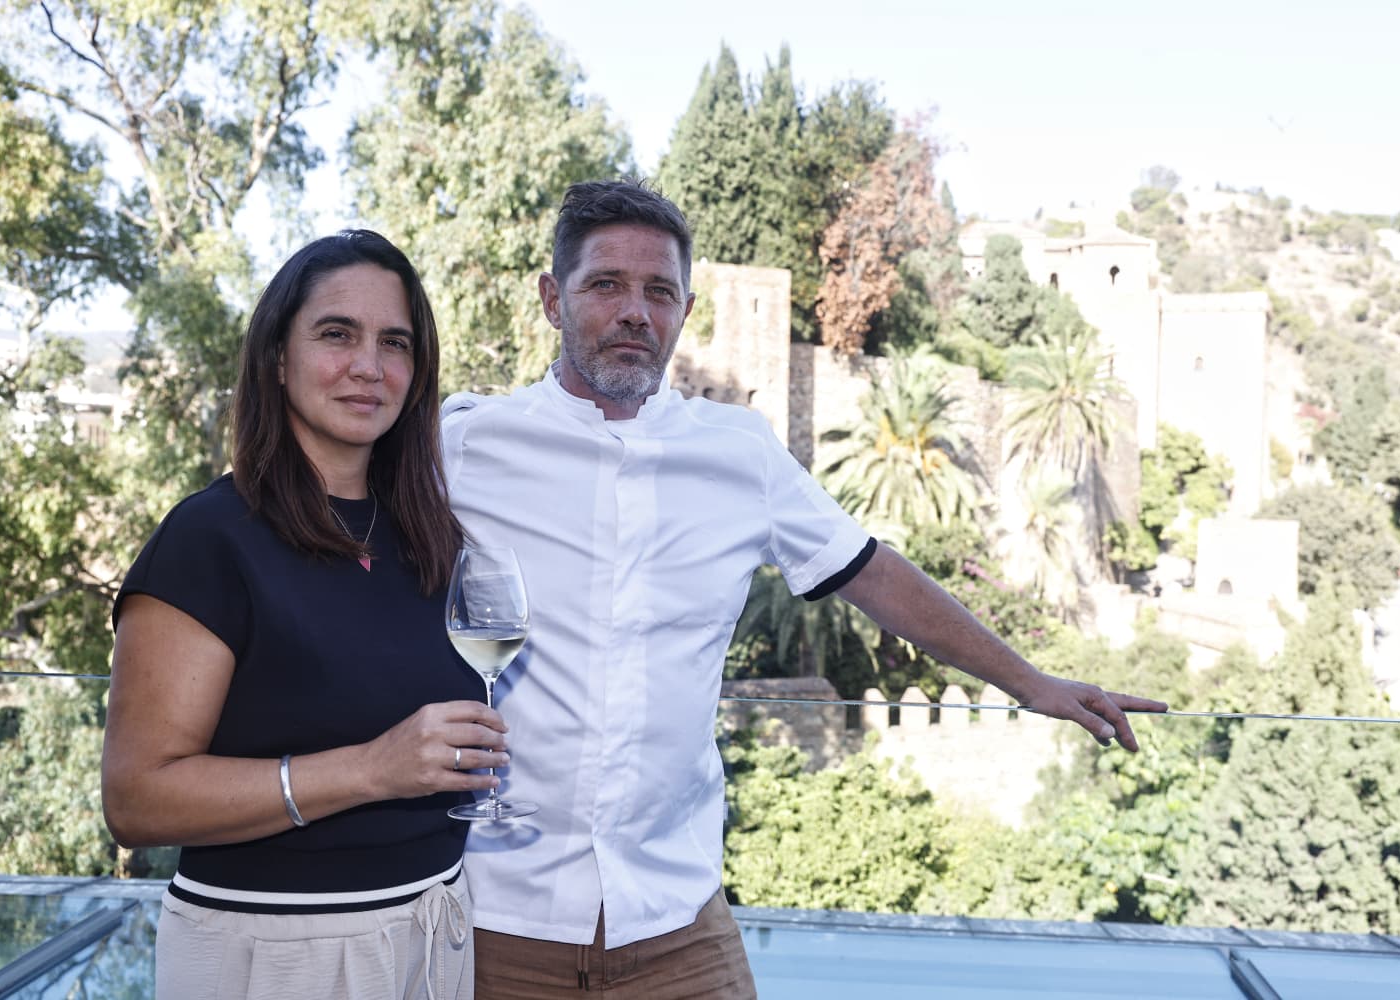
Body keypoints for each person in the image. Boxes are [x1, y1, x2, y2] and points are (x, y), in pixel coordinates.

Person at [440, 179, 1169, 998]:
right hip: (498, 918)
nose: (635, 312)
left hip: (677, 920)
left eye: (660, 292)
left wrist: (1030, 683)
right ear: (552, 299)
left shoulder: (739, 452)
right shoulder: (465, 445)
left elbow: (874, 573)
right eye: (606, 284)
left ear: (685, 310)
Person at [102, 231, 508, 1000]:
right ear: (277, 359)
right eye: (336, 334)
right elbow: (136, 799)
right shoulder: (208, 538)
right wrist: (370, 769)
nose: (370, 366)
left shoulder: (429, 537)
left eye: (395, 343)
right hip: (274, 952)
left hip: (434, 937)